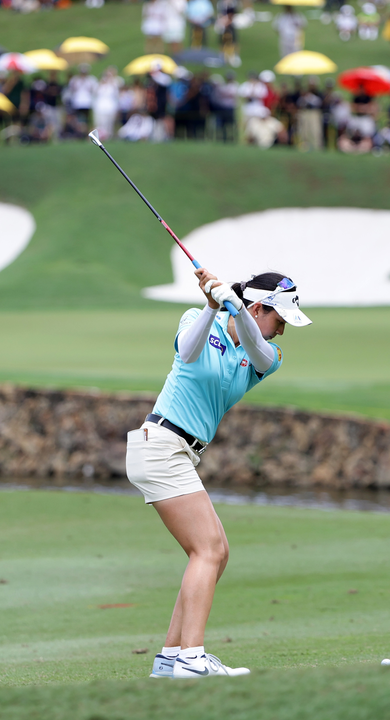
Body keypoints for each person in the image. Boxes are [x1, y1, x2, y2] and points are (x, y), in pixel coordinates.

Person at [129, 270, 310, 681]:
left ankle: (171, 658)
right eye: (279, 320)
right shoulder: (196, 318)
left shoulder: (266, 355)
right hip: (159, 445)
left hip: (179, 453)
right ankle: (192, 658)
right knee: (207, 551)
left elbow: (258, 348)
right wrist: (213, 305)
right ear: (260, 307)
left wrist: (234, 305)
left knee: (216, 553)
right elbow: (186, 352)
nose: (281, 332)